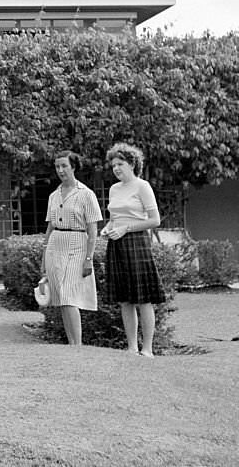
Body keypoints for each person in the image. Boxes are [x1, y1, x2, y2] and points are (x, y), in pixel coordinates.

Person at [100, 141, 165, 357]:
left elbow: (155, 220)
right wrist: (107, 229)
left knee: (142, 298)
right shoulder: (114, 189)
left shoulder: (142, 186)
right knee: (124, 299)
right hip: (117, 243)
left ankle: (147, 348)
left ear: (132, 164)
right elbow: (113, 218)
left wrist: (126, 228)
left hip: (137, 242)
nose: (116, 168)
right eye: (113, 165)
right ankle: (131, 347)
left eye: (120, 164)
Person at [39, 150, 101, 345]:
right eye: (57, 167)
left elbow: (93, 231)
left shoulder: (86, 195)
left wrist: (89, 258)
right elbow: (49, 227)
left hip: (77, 244)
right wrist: (43, 257)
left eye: (64, 166)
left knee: (69, 294)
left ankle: (78, 345)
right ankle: (71, 343)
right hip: (56, 244)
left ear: (73, 167)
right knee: (60, 297)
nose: (60, 170)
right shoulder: (53, 196)